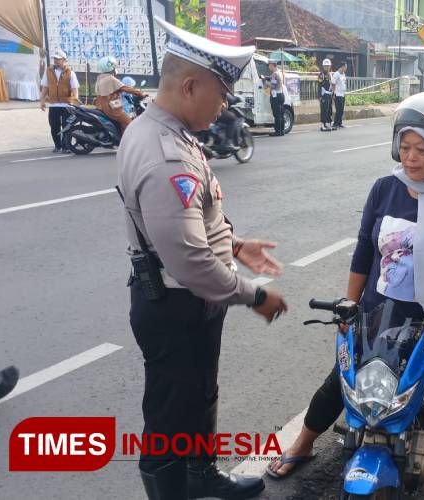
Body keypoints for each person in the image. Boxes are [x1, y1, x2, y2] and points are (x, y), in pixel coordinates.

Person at [266, 92, 424, 500]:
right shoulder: (385, 187)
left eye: (421, 149)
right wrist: (350, 307)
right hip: (379, 313)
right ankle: (303, 444)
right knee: (341, 385)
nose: (410, 158)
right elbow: (364, 249)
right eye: (404, 147)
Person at [117, 17, 288, 499]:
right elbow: (190, 261)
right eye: (221, 93)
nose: (226, 105)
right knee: (172, 414)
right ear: (190, 85)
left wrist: (235, 247)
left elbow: (187, 223)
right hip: (178, 302)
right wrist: (253, 294)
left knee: (198, 396)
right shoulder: (165, 153)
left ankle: (200, 476)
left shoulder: (168, 130)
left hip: (187, 299)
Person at [94, 56, 147, 134]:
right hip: (112, 107)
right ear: (111, 68)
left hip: (100, 105)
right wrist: (141, 93)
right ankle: (125, 142)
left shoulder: (100, 78)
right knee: (128, 123)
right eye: (115, 67)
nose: (116, 69)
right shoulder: (111, 79)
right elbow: (126, 88)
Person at [40, 49, 79, 153]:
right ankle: (58, 145)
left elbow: (75, 89)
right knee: (54, 127)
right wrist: (42, 101)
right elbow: (45, 87)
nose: (56, 61)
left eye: (58, 59)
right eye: (55, 59)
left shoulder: (70, 73)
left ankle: (66, 146)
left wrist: (74, 100)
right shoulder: (48, 71)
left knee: (67, 126)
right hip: (53, 104)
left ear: (64, 60)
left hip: (67, 104)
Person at [264, 59, 285, 136]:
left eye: (269, 65)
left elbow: (273, 85)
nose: (269, 67)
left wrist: (266, 83)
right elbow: (274, 80)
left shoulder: (274, 74)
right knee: (281, 114)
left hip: (276, 96)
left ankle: (277, 131)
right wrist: (267, 77)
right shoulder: (279, 73)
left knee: (277, 114)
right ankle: (282, 131)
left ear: (273, 65)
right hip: (281, 95)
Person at [318, 58, 334, 131]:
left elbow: (332, 84)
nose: (327, 67)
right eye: (325, 66)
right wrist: (320, 96)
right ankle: (322, 125)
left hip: (330, 94)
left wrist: (333, 94)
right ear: (323, 66)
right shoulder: (321, 75)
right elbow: (319, 85)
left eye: (328, 66)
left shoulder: (330, 74)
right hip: (324, 94)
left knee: (329, 110)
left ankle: (328, 124)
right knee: (324, 110)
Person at [331, 61, 347, 129]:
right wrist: (333, 93)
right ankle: (335, 124)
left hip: (342, 94)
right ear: (342, 67)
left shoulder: (343, 74)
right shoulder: (336, 74)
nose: (346, 68)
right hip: (337, 94)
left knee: (341, 110)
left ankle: (340, 123)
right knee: (338, 110)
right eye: (345, 67)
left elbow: (344, 82)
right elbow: (333, 84)